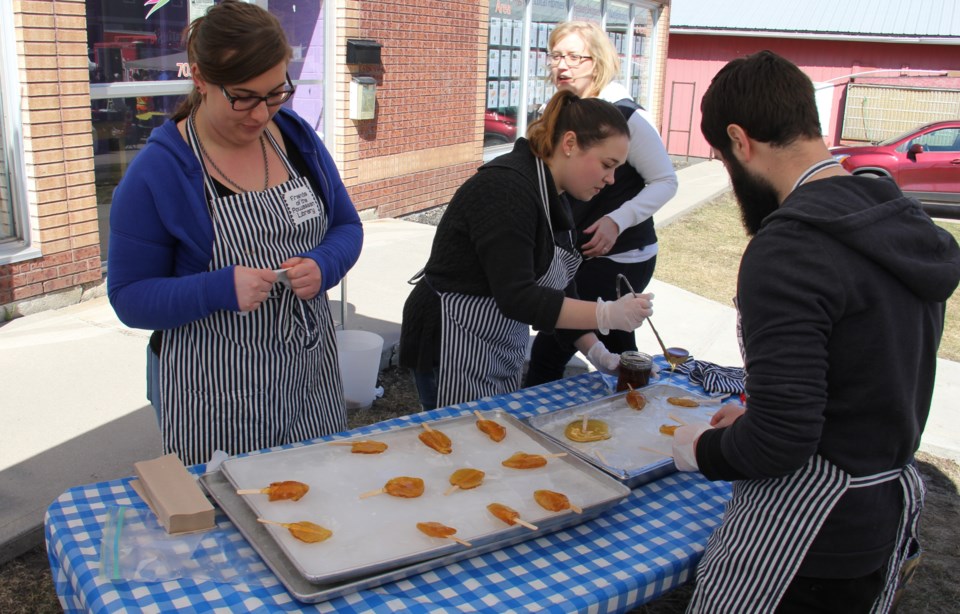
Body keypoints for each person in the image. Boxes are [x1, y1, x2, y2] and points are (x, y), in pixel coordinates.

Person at [671, 50, 960, 613]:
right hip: (875, 519)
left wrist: (700, 451)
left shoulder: (788, 249)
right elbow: (859, 374)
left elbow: (781, 441)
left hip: (810, 537)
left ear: (739, 141)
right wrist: (757, 414)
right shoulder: (897, 214)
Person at [107, 0, 363, 466]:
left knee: (318, 495)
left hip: (309, 371)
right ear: (201, 78)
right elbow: (129, 297)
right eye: (243, 96)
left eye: (275, 93)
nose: (260, 114)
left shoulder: (297, 138)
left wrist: (324, 264)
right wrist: (217, 288)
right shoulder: (158, 173)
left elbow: (346, 226)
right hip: (217, 390)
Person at [399, 90, 654, 410]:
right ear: (570, 144)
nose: (612, 179)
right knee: (462, 447)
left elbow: (560, 286)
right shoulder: (507, 190)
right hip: (451, 340)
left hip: (493, 342)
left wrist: (597, 351)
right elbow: (519, 297)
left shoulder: (555, 195)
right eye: (607, 164)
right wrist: (606, 313)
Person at [525, 21, 678, 387]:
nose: (563, 66)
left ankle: (529, 424)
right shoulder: (558, 114)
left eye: (576, 57)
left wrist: (617, 220)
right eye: (556, 56)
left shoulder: (626, 116)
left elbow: (666, 181)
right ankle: (638, 399)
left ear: (598, 62)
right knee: (618, 344)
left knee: (551, 349)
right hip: (575, 253)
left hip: (620, 256)